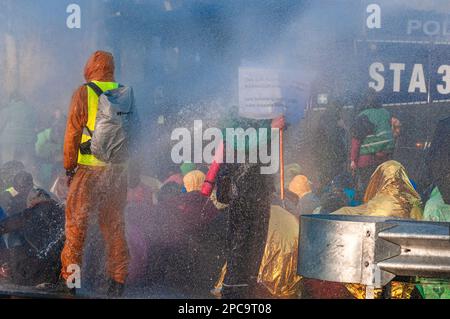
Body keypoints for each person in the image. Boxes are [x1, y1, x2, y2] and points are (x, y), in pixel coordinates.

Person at [60, 51, 130, 297]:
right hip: (118, 172)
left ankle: (72, 282)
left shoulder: (84, 92)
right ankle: (117, 281)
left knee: (76, 226)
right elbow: (136, 134)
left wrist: (69, 166)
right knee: (114, 226)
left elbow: (73, 133)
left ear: (89, 68)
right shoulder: (124, 93)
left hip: (89, 171)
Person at [215, 114, 283, 299]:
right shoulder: (234, 114)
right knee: (240, 251)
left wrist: (279, 121)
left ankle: (246, 293)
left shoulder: (262, 115)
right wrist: (271, 129)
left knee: (254, 252)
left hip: (258, 193)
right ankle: (233, 296)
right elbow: (239, 141)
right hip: (243, 194)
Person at [333, 160, 422, 299]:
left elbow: (351, 216)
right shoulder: (414, 207)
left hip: (373, 273)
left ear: (380, 178)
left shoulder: (375, 205)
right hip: (403, 273)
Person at [0, 188, 64, 287]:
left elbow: (3, 227)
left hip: (30, 276)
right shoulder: (63, 213)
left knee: (15, 238)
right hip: (57, 274)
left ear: (31, 201)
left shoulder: (28, 214)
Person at [350, 89, 395, 200]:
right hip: (384, 159)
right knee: (380, 190)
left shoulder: (363, 116)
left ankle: (367, 212)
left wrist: (353, 160)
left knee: (367, 191)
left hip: (366, 161)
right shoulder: (385, 114)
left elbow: (356, 140)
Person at [0, 92, 36, 168]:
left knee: (7, 165)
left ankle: (7, 179)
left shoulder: (7, 110)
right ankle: (24, 179)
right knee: (24, 166)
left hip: (8, 142)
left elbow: (1, 125)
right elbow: (34, 126)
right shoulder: (30, 110)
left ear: (12, 100)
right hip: (27, 142)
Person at [35, 120, 65, 189]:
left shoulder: (60, 139)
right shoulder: (41, 138)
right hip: (44, 165)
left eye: (60, 134)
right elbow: (37, 155)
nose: (59, 137)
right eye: (57, 135)